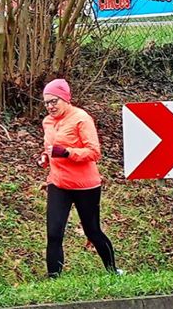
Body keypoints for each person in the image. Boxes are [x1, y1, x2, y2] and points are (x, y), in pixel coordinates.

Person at [38, 79, 119, 277]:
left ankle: (112, 270)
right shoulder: (47, 122)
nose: (50, 106)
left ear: (66, 99)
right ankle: (54, 279)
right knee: (54, 233)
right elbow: (50, 148)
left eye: (54, 101)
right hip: (58, 183)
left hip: (85, 186)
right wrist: (45, 158)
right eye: (47, 102)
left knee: (93, 231)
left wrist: (67, 153)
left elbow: (94, 152)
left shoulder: (81, 118)